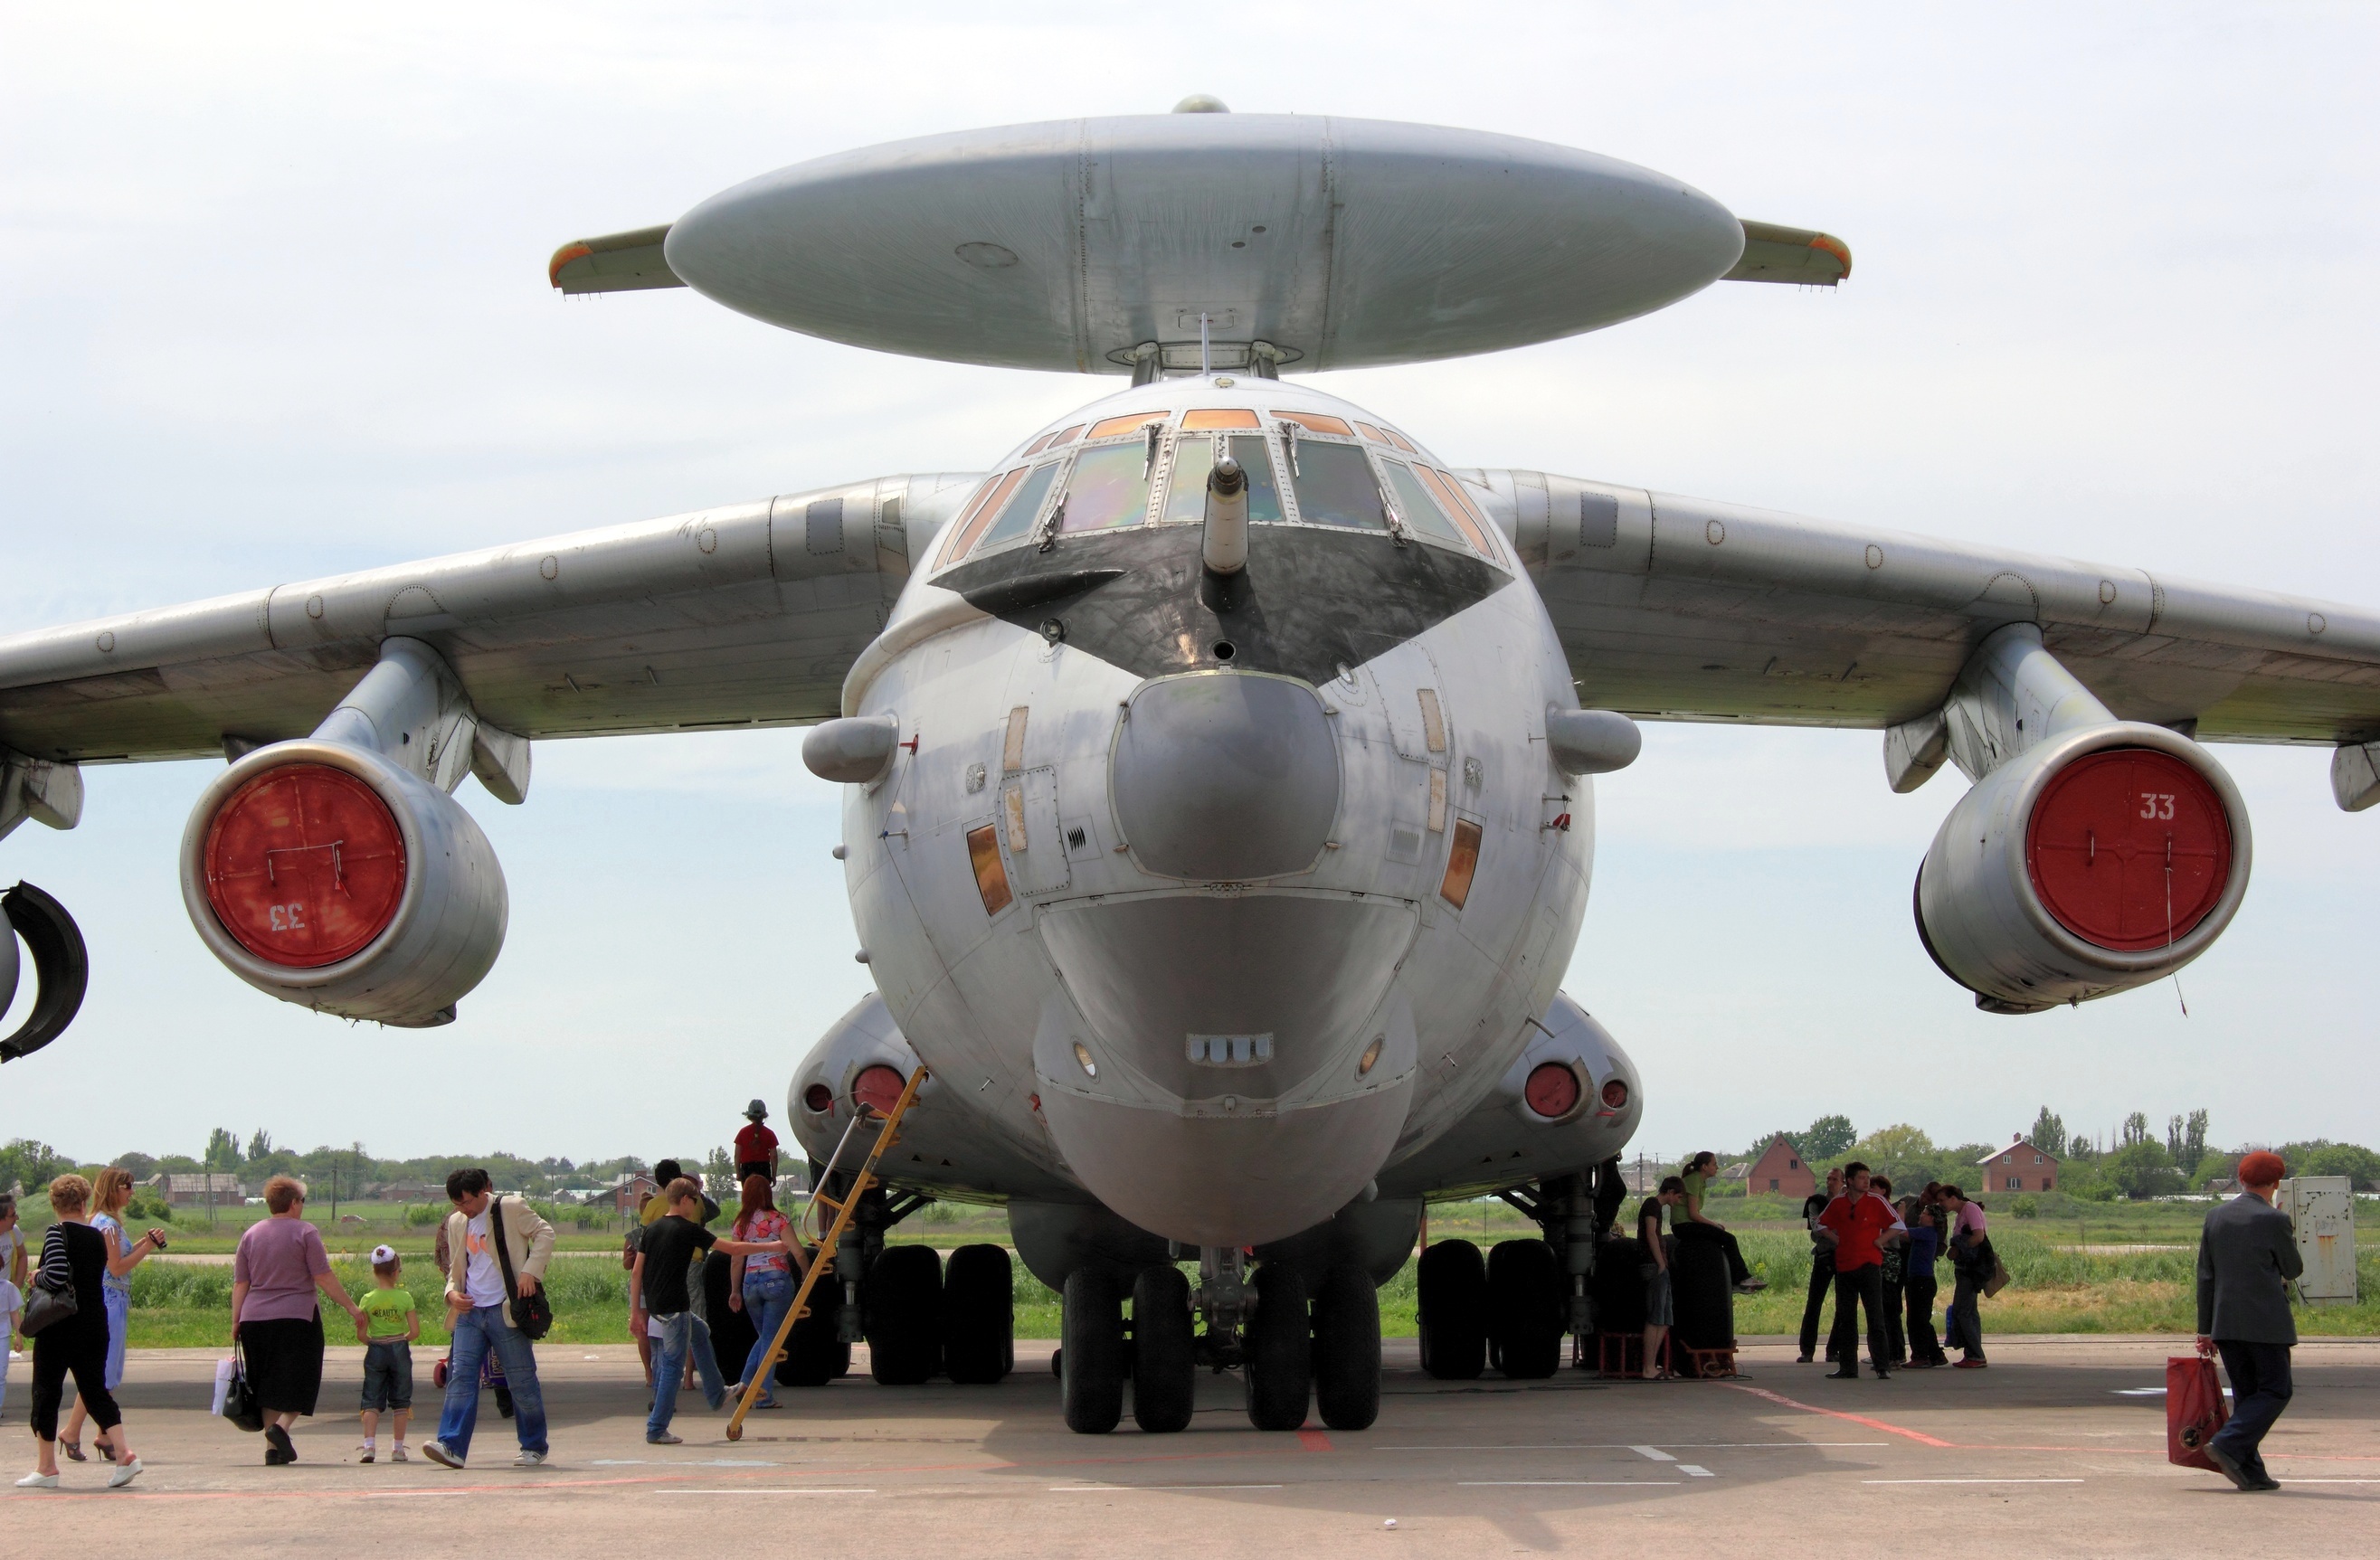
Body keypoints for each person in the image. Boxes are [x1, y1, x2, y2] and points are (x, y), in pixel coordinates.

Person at [423, 1168, 555, 1470]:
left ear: (483, 1191)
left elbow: (545, 1233)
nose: (463, 1210)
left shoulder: (509, 1208)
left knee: (520, 1380)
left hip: (505, 1310)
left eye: (467, 1202)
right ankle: (451, 1445)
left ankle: (534, 1446)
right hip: (470, 1312)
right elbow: (457, 1268)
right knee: (461, 1377)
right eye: (457, 1204)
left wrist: (530, 1272)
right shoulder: (457, 1222)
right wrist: (451, 1294)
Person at [636, 1177, 784, 1443]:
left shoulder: (653, 1228)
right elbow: (733, 1248)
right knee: (672, 1367)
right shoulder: (687, 1228)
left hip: (658, 1306)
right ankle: (656, 1428)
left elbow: (637, 1272)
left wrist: (636, 1312)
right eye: (695, 1201)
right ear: (684, 1200)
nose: (696, 1207)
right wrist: (771, 1246)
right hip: (675, 1308)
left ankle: (717, 1394)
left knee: (701, 1331)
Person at [16, 1175, 142, 1489]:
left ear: (54, 1203)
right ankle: (125, 1454)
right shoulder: (97, 1236)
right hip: (94, 1323)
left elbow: (57, 1275)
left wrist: (36, 1277)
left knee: (46, 1392)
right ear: (83, 1202)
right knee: (95, 1390)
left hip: (60, 1327)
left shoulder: (57, 1233)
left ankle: (46, 1468)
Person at [232, 1176, 365, 1465]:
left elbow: (241, 1283)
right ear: (294, 1203)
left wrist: (236, 1320)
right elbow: (323, 1276)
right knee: (303, 1378)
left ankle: (272, 1449)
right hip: (296, 1317)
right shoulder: (306, 1232)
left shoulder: (250, 1235)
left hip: (254, 1319)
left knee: (267, 1383)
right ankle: (282, 1428)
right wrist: (352, 1307)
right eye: (302, 1201)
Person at [2195, 1150, 2302, 1491]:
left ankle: (2250, 1472)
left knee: (2247, 1397)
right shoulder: (2274, 1220)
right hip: (2266, 1325)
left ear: (2241, 1179)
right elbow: (2293, 1269)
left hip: (2225, 1324)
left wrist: (2205, 1329)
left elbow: (2205, 1276)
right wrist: (2285, 1228)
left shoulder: (2215, 1217)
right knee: (2275, 1390)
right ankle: (2228, 1443)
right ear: (2276, 1183)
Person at [58, 1168, 167, 1462]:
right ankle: (74, 1431)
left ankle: (102, 1434)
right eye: (127, 1186)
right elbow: (116, 1267)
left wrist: (145, 1242)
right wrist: (147, 1246)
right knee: (101, 1373)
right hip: (109, 1302)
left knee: (103, 1372)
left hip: (113, 1300)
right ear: (112, 1189)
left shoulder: (103, 1222)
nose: (132, 1191)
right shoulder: (105, 1224)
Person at [726, 1176, 809, 1410]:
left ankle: (743, 1386)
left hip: (750, 1283)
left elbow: (736, 1260)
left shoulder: (740, 1223)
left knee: (765, 1337)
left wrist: (734, 1290)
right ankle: (762, 1395)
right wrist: (805, 1273)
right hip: (776, 1280)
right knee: (771, 1341)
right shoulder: (778, 1219)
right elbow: (799, 1252)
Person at [1817, 1161, 1897, 1380]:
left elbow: (1898, 1225)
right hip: (1844, 1266)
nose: (1866, 1181)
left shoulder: (1877, 1201)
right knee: (1846, 1318)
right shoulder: (1838, 1203)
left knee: (1875, 1316)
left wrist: (1881, 1240)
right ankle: (1848, 1366)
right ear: (1850, 1181)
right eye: (1862, 1178)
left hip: (1870, 1264)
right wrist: (1837, 1240)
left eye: (1867, 1177)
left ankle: (1882, 1366)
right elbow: (1820, 1224)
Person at [356, 1244, 420, 1463]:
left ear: (375, 1272)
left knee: (371, 1398)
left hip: (376, 1349)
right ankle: (398, 1449)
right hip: (399, 1348)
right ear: (395, 1272)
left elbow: (361, 1334)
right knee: (401, 1400)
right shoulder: (405, 1298)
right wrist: (402, 1339)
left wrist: (374, 1341)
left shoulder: (367, 1300)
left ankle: (369, 1447)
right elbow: (415, 1331)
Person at [1674, 1152, 1767, 1294]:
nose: (1717, 1167)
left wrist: (1714, 1226)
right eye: (1714, 1164)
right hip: (1684, 1226)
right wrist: (1714, 1225)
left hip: (1687, 1224)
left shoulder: (1699, 1181)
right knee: (1729, 1238)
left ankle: (1734, 1282)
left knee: (1720, 1237)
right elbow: (1693, 1214)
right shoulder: (1694, 1180)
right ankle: (1742, 1278)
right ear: (1704, 1167)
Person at [1636, 1177, 1684, 1380]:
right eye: (1678, 1197)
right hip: (1653, 1264)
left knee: (1665, 1318)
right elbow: (1651, 1234)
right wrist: (1661, 1263)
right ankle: (1648, 1367)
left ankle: (1652, 1364)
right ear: (1670, 1192)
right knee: (1656, 1315)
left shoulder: (1656, 1207)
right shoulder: (1652, 1205)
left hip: (1659, 1266)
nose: (1678, 1201)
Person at [1940, 1184, 1991, 1367]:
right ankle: (1973, 1353)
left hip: (1972, 1269)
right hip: (1966, 1269)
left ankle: (1976, 1355)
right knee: (1970, 1311)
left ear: (1954, 1198)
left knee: (1962, 1311)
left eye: (1943, 1200)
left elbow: (1978, 1236)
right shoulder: (1962, 1213)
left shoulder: (1970, 1209)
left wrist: (1958, 1250)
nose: (1941, 1204)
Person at [1797, 1167, 1842, 1362]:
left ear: (1842, 1182)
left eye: (1834, 1179)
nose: (1830, 1182)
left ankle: (1833, 1350)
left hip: (1844, 1257)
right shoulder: (1817, 1202)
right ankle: (1807, 1350)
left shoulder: (1848, 1203)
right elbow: (1816, 1228)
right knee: (1814, 1303)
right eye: (1828, 1178)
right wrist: (1837, 1236)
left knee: (1844, 1305)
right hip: (1824, 1256)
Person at [1901, 1198, 1948, 1367]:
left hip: (1921, 1281)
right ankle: (1935, 1355)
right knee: (1921, 1320)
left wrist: (1901, 1214)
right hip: (1919, 1280)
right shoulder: (1924, 1232)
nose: (1921, 1215)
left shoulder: (1927, 1232)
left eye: (1925, 1214)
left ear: (1933, 1219)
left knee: (1916, 1321)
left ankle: (1920, 1356)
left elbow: (1902, 1233)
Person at [1872, 1175, 1907, 1366]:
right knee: (1883, 1307)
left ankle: (1895, 1352)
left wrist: (1879, 1241)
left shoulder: (1886, 1208)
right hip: (1881, 1257)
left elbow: (1898, 1227)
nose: (1869, 1190)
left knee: (1889, 1306)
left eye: (1873, 1186)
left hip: (1889, 1256)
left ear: (1884, 1190)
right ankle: (1887, 1351)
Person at [735, 1103, 781, 1187]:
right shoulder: (770, 1134)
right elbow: (774, 1156)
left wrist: (738, 1173)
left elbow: (737, 1155)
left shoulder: (742, 1132)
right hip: (763, 1169)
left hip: (747, 1169)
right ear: (763, 1116)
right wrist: (773, 1176)